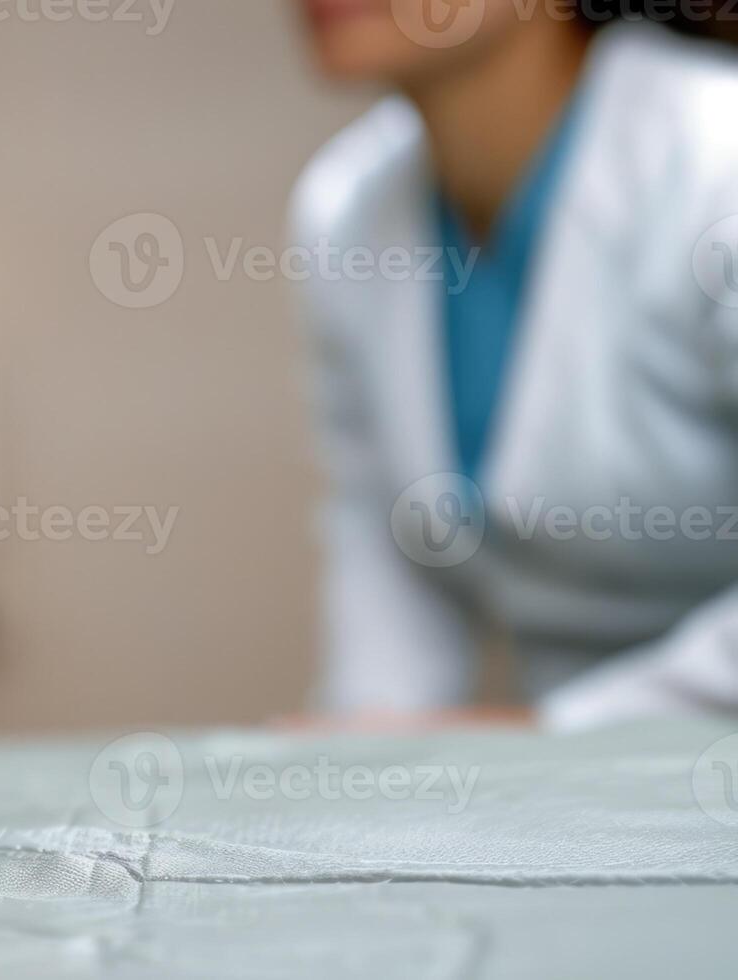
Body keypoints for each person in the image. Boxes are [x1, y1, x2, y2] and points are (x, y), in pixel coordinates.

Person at [291, 0, 738, 729]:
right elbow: (389, 589)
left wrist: (552, 733)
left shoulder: (720, 160)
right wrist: (362, 777)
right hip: (575, 801)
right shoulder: (345, 211)